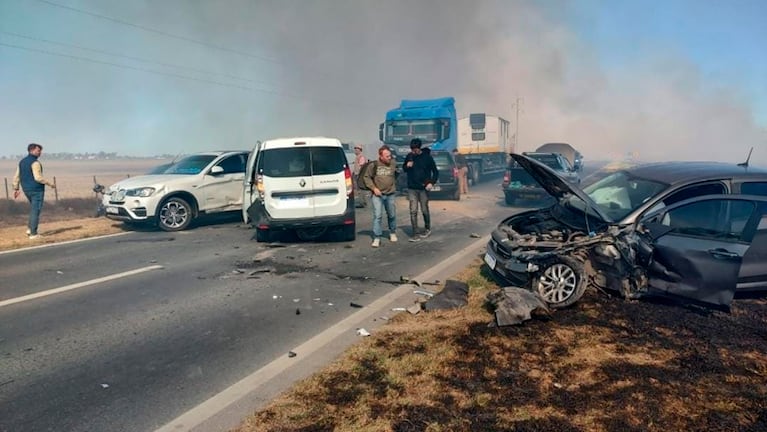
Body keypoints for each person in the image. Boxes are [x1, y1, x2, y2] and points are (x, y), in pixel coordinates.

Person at [12, 143, 56, 239]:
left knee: (33, 209)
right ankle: (33, 234)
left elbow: (16, 176)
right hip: (36, 190)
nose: (40, 153)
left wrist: (16, 188)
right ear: (32, 150)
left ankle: (29, 229)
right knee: (36, 210)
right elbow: (38, 178)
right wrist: (50, 184)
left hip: (26, 189)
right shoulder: (35, 163)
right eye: (38, 150)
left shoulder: (22, 162)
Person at [362, 145, 398, 248]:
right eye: (387, 156)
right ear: (381, 156)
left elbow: (397, 174)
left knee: (391, 214)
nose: (389, 158)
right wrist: (374, 188)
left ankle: (392, 232)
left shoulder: (393, 163)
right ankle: (377, 237)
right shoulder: (374, 165)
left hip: (390, 194)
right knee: (377, 216)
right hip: (378, 195)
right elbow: (366, 178)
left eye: (390, 156)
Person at [402, 138, 438, 241]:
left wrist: (432, 182)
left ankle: (427, 228)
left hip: (423, 188)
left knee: (424, 209)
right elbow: (404, 169)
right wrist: (407, 166)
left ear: (419, 148)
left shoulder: (427, 158)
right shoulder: (409, 156)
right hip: (412, 188)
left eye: (415, 150)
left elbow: (435, 172)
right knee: (413, 211)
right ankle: (415, 233)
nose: (413, 152)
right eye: (412, 149)